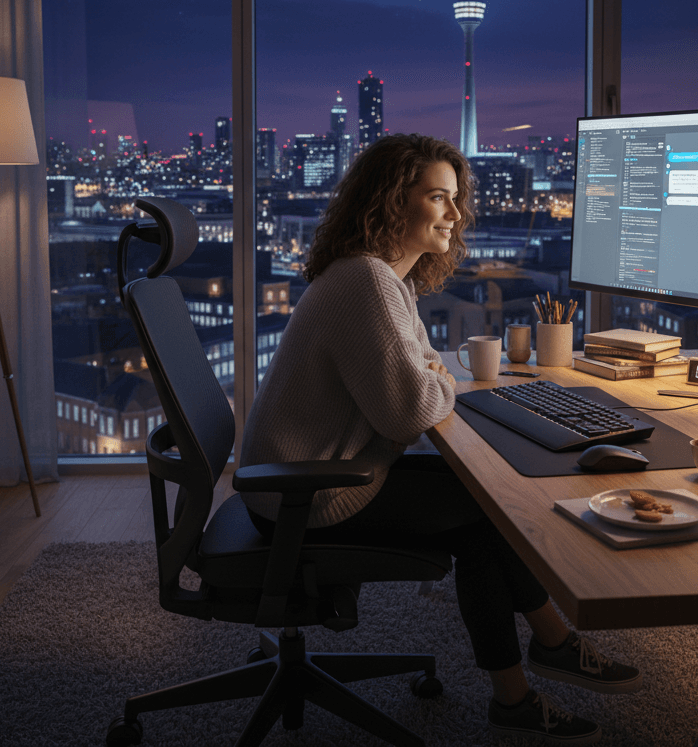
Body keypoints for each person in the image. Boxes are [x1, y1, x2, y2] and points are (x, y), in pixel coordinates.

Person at [241, 133, 640, 745]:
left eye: (455, 198)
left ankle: (544, 655)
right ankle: (531, 675)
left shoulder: (388, 282)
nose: (456, 213)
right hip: (304, 495)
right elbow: (412, 412)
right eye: (438, 197)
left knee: (481, 502)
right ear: (390, 202)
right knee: (487, 513)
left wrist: (433, 383)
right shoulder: (366, 283)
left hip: (313, 475)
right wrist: (435, 385)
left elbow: (429, 372)